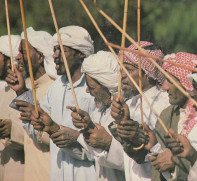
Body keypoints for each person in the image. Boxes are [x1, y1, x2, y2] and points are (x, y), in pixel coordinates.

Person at [15, 25, 96, 181]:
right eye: (54, 50)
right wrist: (22, 94)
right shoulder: (56, 88)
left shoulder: (92, 88)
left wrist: (64, 134)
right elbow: (38, 132)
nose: (55, 56)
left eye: (62, 50)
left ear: (80, 54)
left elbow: (97, 149)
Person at [110, 41, 170, 181]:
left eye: (129, 70)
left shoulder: (164, 103)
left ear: (148, 73)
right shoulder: (130, 104)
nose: (123, 76)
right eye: (121, 70)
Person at [6, 27, 58, 181]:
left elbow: (54, 137)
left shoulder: (54, 88)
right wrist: (10, 131)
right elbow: (29, 138)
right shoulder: (33, 88)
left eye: (23, 52)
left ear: (40, 57)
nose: (17, 56)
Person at [69, 50, 125, 181]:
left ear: (107, 85)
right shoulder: (97, 112)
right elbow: (91, 154)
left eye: (92, 87)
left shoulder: (127, 111)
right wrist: (87, 127)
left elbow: (132, 161)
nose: (87, 91)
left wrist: (108, 144)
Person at [149, 52, 197, 181]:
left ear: (186, 83)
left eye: (170, 81)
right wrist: (150, 143)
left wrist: (176, 161)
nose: (164, 87)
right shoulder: (167, 115)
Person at [0, 35, 24, 181]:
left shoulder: (27, 90)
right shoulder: (4, 91)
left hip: (19, 170)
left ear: (9, 61)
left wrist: (11, 130)